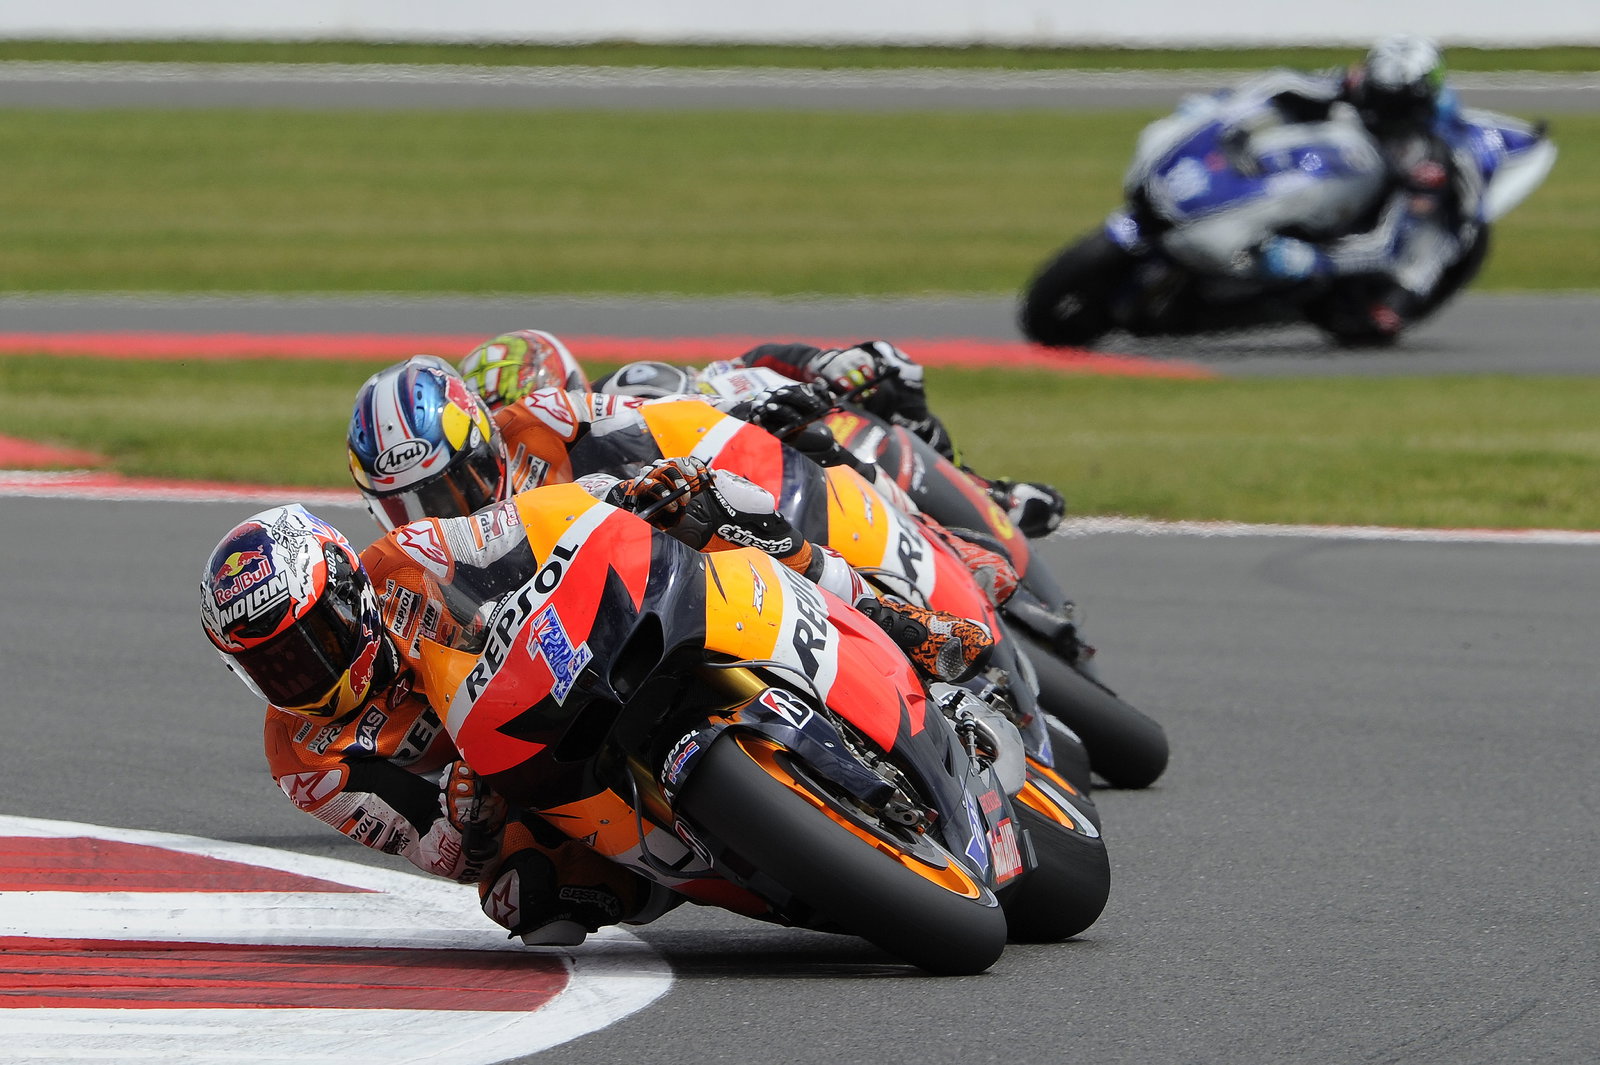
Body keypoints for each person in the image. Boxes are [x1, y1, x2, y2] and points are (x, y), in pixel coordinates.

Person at [203, 451, 992, 947]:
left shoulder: (409, 556)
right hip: (524, 780)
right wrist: (466, 811)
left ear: (347, 594)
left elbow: (525, 522)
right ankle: (726, 861)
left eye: (311, 641)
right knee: (525, 902)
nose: (303, 674)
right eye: (275, 668)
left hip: (577, 657)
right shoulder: (306, 758)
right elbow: (435, 850)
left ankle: (905, 624)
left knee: (711, 510)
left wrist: (621, 492)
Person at [350, 344, 1001, 673]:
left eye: (448, 488)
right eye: (404, 507)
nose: (437, 513)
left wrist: (732, 425)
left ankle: (900, 615)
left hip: (646, 540)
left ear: (485, 442)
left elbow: (658, 423)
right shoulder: (413, 578)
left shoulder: (542, 423)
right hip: (578, 651)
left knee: (729, 493)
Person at [593, 338, 1069, 538]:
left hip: (834, 436)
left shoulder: (688, 380)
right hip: (793, 503)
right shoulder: (624, 457)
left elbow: (763, 356)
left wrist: (826, 363)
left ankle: (979, 491)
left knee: (888, 369)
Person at [1189, 34, 1481, 342]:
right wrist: (1221, 109)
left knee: (1395, 296)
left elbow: (1386, 245)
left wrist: (1312, 259)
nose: (1379, 107)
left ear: (1417, 101)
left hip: (1437, 213)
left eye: (1391, 102)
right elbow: (1284, 82)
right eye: (1377, 94)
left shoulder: (1430, 154)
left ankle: (1404, 294)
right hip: (1360, 166)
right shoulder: (1358, 85)